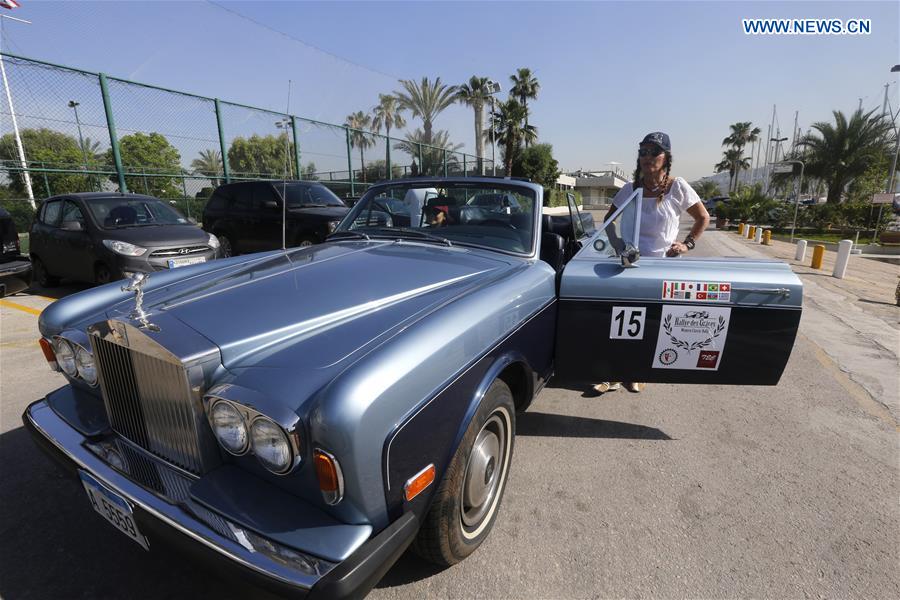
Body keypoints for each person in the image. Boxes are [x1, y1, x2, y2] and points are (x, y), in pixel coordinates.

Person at [594, 131, 710, 395]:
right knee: (621, 322)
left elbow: (703, 217)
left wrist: (686, 244)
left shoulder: (677, 187)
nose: (647, 157)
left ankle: (637, 371)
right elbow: (608, 222)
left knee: (649, 324)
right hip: (628, 267)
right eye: (643, 152)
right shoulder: (630, 189)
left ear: (665, 157)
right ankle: (612, 373)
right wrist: (617, 244)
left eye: (654, 152)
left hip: (661, 268)